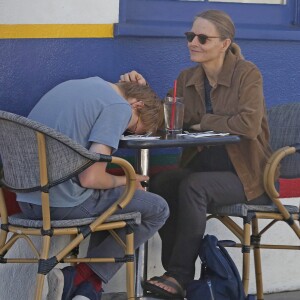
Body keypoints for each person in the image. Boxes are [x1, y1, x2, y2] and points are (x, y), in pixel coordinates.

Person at [120, 9, 273, 299]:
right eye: (191, 36)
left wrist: (205, 121)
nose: (194, 42)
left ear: (224, 43)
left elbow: (249, 125)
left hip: (248, 176)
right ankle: (174, 275)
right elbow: (166, 120)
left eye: (203, 38)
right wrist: (140, 91)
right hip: (205, 166)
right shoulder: (187, 78)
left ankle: (179, 275)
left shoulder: (247, 74)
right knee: (163, 183)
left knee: (193, 187)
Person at [16, 76, 169, 300]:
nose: (125, 134)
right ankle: (80, 278)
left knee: (118, 204)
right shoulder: (118, 107)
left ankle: (88, 291)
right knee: (157, 208)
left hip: (27, 201)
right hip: (61, 204)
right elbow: (91, 179)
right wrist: (126, 181)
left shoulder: (74, 86)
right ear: (137, 105)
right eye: (133, 129)